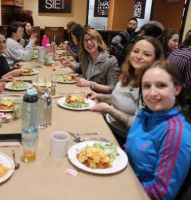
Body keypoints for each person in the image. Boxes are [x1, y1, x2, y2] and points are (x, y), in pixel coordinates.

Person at [126, 60, 191, 200]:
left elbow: (160, 193)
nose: (152, 93)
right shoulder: (145, 114)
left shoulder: (176, 133)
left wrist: (120, 184)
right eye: (146, 86)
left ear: (177, 89)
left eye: (161, 85)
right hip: (126, 177)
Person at [87, 36, 163, 144]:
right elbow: (118, 98)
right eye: (135, 51)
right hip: (107, 125)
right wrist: (99, 96)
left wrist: (109, 110)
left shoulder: (151, 87)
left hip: (123, 139)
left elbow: (137, 125)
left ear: (155, 60)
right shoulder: (129, 74)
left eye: (146, 54)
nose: (138, 56)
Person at [65, 28, 120, 94]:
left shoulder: (110, 61)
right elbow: (80, 68)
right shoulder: (84, 57)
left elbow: (112, 88)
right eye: (86, 40)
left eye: (92, 39)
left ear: (98, 40)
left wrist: (90, 84)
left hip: (99, 100)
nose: (89, 42)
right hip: (84, 94)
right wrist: (69, 64)